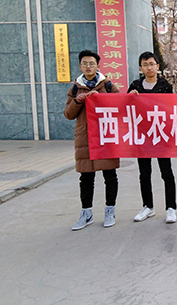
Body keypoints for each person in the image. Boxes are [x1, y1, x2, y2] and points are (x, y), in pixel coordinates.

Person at [64, 50, 120, 231]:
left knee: (110, 175)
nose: (88, 66)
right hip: (85, 138)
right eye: (85, 64)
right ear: (80, 66)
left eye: (92, 63)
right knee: (86, 177)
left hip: (105, 136)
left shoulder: (108, 86)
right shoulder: (75, 89)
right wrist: (77, 101)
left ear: (98, 66)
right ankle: (86, 213)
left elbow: (121, 106)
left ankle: (110, 211)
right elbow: (68, 114)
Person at [127, 51, 177, 224]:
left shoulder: (165, 86)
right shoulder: (135, 86)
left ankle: (171, 208)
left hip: (161, 135)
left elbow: (172, 109)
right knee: (144, 173)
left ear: (157, 66)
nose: (149, 68)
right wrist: (130, 97)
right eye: (145, 65)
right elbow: (125, 108)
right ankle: (148, 206)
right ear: (140, 68)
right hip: (142, 136)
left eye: (151, 64)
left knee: (166, 172)